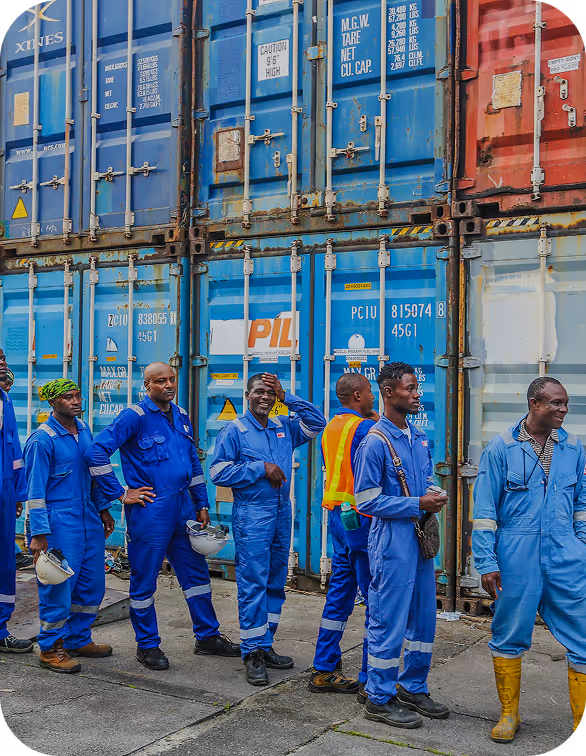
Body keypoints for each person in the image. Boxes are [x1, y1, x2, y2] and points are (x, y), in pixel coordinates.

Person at [85, 362, 239, 671]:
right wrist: (121, 493)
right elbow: (95, 453)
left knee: (197, 577)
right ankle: (147, 646)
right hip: (150, 511)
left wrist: (201, 502)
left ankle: (208, 637)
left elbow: (193, 464)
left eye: (171, 379)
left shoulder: (180, 415)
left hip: (184, 509)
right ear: (147, 385)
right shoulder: (134, 417)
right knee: (144, 581)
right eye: (160, 381)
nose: (168, 385)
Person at [472, 376, 586, 739]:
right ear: (534, 404)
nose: (563, 409)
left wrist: (581, 545)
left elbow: (582, 503)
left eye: (565, 403)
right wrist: (487, 562)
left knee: (583, 637)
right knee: (509, 632)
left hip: (565, 554)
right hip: (516, 554)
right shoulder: (502, 447)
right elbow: (485, 510)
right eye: (556, 403)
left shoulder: (574, 447)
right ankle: (509, 715)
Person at [210, 373, 326, 686]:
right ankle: (252, 653)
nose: (265, 397)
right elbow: (218, 471)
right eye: (259, 391)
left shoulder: (282, 426)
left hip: (281, 512)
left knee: (276, 582)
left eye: (271, 393)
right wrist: (260, 468)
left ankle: (265, 643)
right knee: (253, 583)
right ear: (247, 395)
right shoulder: (235, 430)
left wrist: (287, 397)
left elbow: (317, 422)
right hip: (253, 514)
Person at [354, 362, 449, 729]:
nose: (416, 394)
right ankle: (378, 697)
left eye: (416, 388)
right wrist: (417, 503)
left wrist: (432, 495)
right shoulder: (375, 442)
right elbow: (366, 500)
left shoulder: (417, 436)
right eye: (410, 389)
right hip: (392, 541)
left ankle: (413, 686)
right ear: (388, 392)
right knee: (388, 620)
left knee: (424, 618)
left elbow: (423, 481)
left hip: (419, 537)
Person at [24, 378, 116, 673]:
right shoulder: (42, 440)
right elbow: (34, 492)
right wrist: (39, 533)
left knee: (91, 584)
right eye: (68, 397)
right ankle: (50, 648)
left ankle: (78, 638)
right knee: (58, 587)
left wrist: (103, 509)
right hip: (58, 523)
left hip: (88, 516)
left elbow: (92, 476)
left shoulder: (85, 430)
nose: (76, 401)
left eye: (77, 395)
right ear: (52, 403)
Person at [309, 373, 377, 698]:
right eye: (369, 392)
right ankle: (370, 677)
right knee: (375, 598)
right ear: (357, 395)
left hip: (339, 517)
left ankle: (324, 669)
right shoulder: (363, 429)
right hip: (361, 520)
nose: (373, 397)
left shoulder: (331, 426)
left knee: (339, 594)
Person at [0, 349, 33, 654]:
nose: (2, 363)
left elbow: (14, 450)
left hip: (5, 494)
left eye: (2, 358)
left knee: (5, 563)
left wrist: (18, 493)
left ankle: (0, 629)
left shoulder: (5, 399)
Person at [0, 367, 35, 571]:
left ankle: (13, 553)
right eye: (6, 382)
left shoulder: (7, 405)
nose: (8, 387)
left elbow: (16, 457)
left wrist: (18, 494)